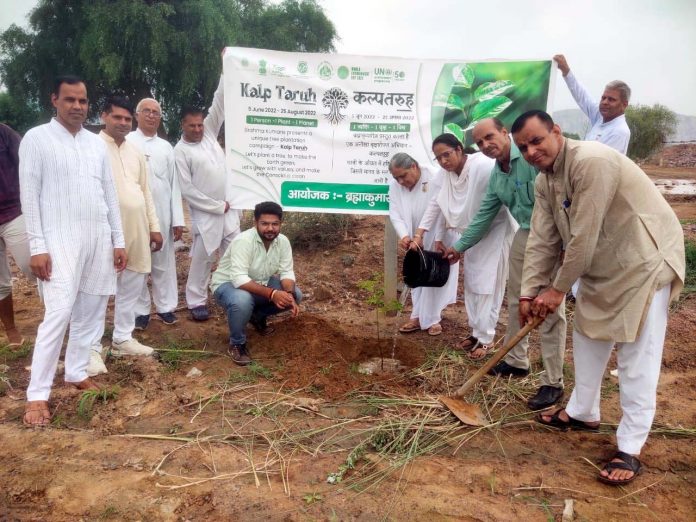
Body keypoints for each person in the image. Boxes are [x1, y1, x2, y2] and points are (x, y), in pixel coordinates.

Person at [512, 110, 684, 486]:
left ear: (556, 132)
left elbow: (583, 235)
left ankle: (631, 445)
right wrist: (529, 291)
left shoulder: (591, 162)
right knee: (588, 335)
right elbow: (543, 238)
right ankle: (583, 411)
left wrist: (556, 289)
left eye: (537, 140)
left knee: (637, 352)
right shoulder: (545, 180)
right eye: (523, 147)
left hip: (643, 259)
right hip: (600, 265)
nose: (530, 151)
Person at [19, 76, 127, 426]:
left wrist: (118, 240)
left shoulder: (96, 144)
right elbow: (30, 196)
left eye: (82, 100)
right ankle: (37, 395)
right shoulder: (37, 139)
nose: (77, 106)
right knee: (59, 312)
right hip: (58, 239)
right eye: (70, 100)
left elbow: (109, 194)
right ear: (54, 100)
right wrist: (37, 246)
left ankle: (76, 370)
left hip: (97, 235)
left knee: (93, 307)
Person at [445, 118, 567, 410]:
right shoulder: (497, 176)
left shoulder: (530, 160)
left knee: (549, 308)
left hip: (553, 234)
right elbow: (484, 214)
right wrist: (459, 248)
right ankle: (516, 361)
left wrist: (564, 246)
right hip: (525, 234)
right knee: (517, 300)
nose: (486, 145)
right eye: (480, 142)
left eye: (490, 137)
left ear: (503, 133)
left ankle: (553, 382)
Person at [413, 134, 517, 358]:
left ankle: (486, 339)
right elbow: (437, 203)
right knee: (472, 285)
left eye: (447, 155)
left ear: (459, 150)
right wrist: (423, 234)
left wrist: (458, 242)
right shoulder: (446, 175)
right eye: (438, 158)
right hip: (469, 236)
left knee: (489, 286)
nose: (443, 161)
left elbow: (489, 207)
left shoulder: (482, 166)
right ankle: (475, 332)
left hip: (494, 232)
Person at [98, 96, 162, 364]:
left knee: (134, 281)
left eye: (126, 119)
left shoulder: (135, 150)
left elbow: (144, 191)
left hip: (137, 228)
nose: (123, 123)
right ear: (104, 117)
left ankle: (123, 338)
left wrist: (154, 227)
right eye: (117, 117)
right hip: (105, 229)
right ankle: (90, 346)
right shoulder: (93, 147)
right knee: (99, 286)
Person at [175, 73, 241, 321]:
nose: (197, 129)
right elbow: (188, 190)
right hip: (207, 215)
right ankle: (196, 301)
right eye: (192, 125)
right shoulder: (180, 151)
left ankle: (235, 296)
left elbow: (219, 101)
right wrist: (216, 206)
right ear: (182, 124)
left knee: (236, 255)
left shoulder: (210, 133)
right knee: (202, 260)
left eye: (200, 124)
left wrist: (226, 70)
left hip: (229, 210)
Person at [211, 201, 301, 366]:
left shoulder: (283, 241)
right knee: (242, 300)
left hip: (258, 282)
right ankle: (237, 343)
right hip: (227, 284)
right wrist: (272, 294)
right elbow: (238, 278)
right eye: (264, 223)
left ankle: (257, 316)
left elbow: (287, 272)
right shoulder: (244, 241)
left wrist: (289, 294)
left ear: (281, 223)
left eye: (275, 224)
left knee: (296, 294)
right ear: (255, 223)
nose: (270, 228)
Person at [127, 98, 185, 329]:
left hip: (162, 215)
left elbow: (174, 186)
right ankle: (140, 311)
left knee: (164, 264)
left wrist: (177, 219)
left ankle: (165, 307)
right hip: (135, 215)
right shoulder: (128, 142)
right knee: (138, 263)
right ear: (137, 115)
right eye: (147, 111)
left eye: (156, 113)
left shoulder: (166, 147)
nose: (151, 116)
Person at [388, 153, 458, 336]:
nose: (400, 181)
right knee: (416, 274)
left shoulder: (434, 177)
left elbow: (438, 209)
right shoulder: (395, 186)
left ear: (414, 166)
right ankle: (417, 316)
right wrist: (404, 235)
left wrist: (428, 234)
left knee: (433, 274)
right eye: (396, 178)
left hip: (438, 234)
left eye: (403, 176)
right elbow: (394, 212)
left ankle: (433, 318)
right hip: (414, 237)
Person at [553, 54, 631, 154]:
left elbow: (598, 162)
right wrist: (566, 71)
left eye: (611, 100)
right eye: (603, 98)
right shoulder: (600, 117)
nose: (605, 102)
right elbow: (582, 96)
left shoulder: (619, 132)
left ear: (624, 105)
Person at [0, 123, 33, 347]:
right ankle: (11, 330)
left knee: (36, 267)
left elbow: (27, 164)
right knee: (0, 282)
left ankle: (60, 318)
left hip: (13, 212)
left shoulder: (4, 133)